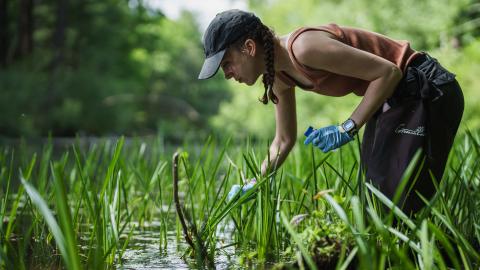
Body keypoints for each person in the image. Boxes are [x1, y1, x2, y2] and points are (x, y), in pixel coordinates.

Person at [198, 9, 464, 212]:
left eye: (227, 64)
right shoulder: (278, 76)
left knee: (391, 198)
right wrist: (255, 181)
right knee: (376, 197)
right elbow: (284, 140)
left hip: (426, 87)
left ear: (249, 47)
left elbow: (388, 71)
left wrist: (347, 128)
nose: (227, 75)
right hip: (396, 97)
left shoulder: (304, 48)